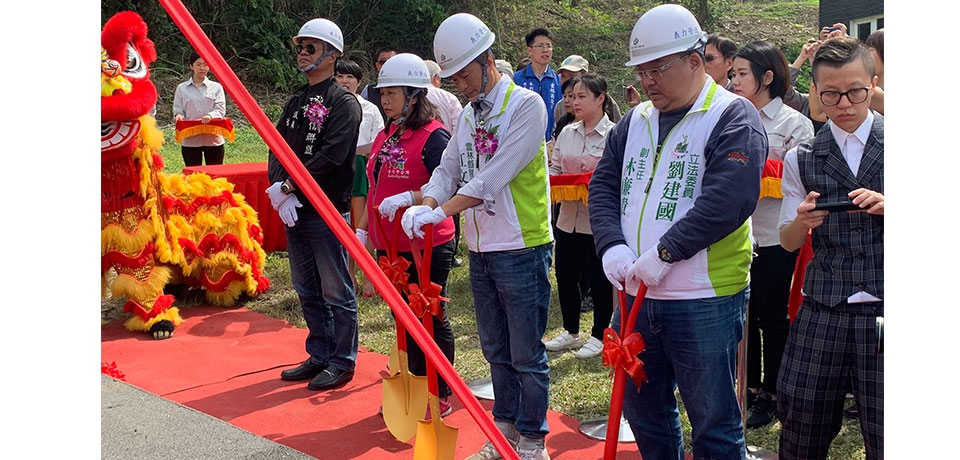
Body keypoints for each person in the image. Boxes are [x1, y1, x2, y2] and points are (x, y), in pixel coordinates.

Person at [589, 4, 767, 459]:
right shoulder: (634, 121)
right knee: (644, 410)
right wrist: (611, 245)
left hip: (703, 297)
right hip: (635, 295)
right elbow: (604, 185)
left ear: (694, 61)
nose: (647, 81)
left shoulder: (732, 116)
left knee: (713, 423)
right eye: (641, 71)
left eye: (657, 69)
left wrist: (664, 254)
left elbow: (730, 198)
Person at [388, 12, 555, 460]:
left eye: (465, 74)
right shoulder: (467, 115)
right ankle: (503, 432)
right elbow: (448, 170)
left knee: (525, 352)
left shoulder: (526, 106)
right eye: (454, 76)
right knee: (495, 349)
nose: (460, 83)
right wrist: (420, 204)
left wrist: (438, 211)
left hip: (521, 245)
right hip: (481, 248)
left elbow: (490, 180)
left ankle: (534, 437)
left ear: (488, 60)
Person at [776, 36, 883, 460]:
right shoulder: (802, 157)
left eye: (855, 91)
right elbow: (785, 241)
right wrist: (802, 222)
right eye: (831, 94)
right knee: (802, 420)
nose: (844, 104)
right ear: (816, 93)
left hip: (886, 306)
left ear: (873, 85)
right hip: (823, 306)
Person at [358, 53, 458, 417]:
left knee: (428, 314)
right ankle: (415, 383)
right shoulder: (386, 134)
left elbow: (446, 183)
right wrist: (364, 232)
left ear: (414, 95)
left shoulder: (434, 136)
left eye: (392, 94)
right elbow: (374, 186)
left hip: (427, 243)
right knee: (403, 316)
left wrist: (412, 198)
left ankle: (440, 389)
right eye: (382, 94)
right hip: (389, 242)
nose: (385, 101)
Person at [266, 18, 362, 391]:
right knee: (305, 287)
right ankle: (319, 352)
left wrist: (291, 185)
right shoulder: (296, 100)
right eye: (301, 47)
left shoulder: (344, 103)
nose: (303, 54)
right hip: (295, 209)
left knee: (336, 289)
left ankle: (342, 360)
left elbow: (333, 156)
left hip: (325, 209)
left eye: (311, 47)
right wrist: (278, 185)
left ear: (332, 54)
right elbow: (277, 144)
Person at [729, 41, 815, 429]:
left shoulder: (794, 124)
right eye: (732, 74)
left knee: (772, 316)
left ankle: (773, 391)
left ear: (767, 77)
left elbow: (797, 182)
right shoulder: (730, 118)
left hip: (776, 234)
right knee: (742, 314)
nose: (733, 80)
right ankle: (744, 387)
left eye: (741, 73)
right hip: (736, 234)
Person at [543, 73, 616, 360]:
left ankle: (600, 333)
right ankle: (571, 331)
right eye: (572, 96)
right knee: (565, 273)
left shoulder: (614, 135)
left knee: (599, 278)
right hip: (567, 218)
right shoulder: (567, 132)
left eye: (583, 96)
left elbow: (615, 176)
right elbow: (556, 168)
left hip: (597, 221)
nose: (575, 101)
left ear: (601, 99)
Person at [335, 58, 386, 297]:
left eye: (350, 77)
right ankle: (348, 276)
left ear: (358, 82)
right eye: (340, 76)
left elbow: (377, 143)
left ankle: (369, 276)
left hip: (360, 168)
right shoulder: (327, 107)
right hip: (335, 169)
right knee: (341, 224)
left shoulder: (370, 109)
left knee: (361, 225)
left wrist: (352, 151)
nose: (344, 81)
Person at [422, 58, 465, 267]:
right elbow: (460, 131)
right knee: (450, 197)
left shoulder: (413, 95)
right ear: (436, 77)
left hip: (419, 151)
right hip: (447, 149)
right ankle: (451, 248)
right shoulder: (449, 98)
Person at [173, 52, 227, 166]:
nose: (202, 68)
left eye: (205, 64)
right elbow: (178, 110)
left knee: (215, 177)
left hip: (213, 140)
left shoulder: (216, 87)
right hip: (190, 141)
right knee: (193, 177)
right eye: (198, 64)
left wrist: (210, 116)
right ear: (191, 66)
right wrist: (178, 116)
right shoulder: (182, 88)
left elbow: (220, 110)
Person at [513, 28, 563, 141]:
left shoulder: (558, 81)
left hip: (551, 142)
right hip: (523, 141)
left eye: (548, 46)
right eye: (540, 46)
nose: (545, 50)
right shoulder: (517, 79)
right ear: (529, 50)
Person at [552, 55, 621, 129]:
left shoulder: (603, 99)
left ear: (584, 75)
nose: (567, 80)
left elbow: (619, 128)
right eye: (563, 76)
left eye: (571, 76)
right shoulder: (560, 106)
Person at [360, 46, 399, 124]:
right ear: (377, 66)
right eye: (383, 62)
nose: (388, 65)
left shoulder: (408, 90)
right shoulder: (368, 90)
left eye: (392, 61)